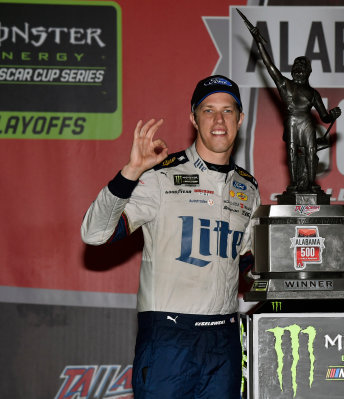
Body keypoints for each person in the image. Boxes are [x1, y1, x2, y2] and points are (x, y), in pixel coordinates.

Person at [81, 75, 260, 399]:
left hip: (224, 340)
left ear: (240, 118)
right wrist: (131, 172)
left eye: (228, 110)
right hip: (169, 336)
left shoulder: (247, 188)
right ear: (193, 117)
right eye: (208, 110)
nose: (219, 120)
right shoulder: (161, 176)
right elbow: (94, 234)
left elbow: (247, 261)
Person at [247, 23, 341, 192]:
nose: (299, 68)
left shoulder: (313, 93)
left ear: (308, 71)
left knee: (311, 152)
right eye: (296, 65)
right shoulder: (285, 84)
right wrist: (259, 42)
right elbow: (268, 66)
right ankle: (293, 185)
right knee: (291, 151)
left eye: (302, 65)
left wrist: (332, 115)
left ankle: (311, 185)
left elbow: (324, 117)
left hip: (307, 124)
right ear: (292, 70)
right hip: (292, 121)